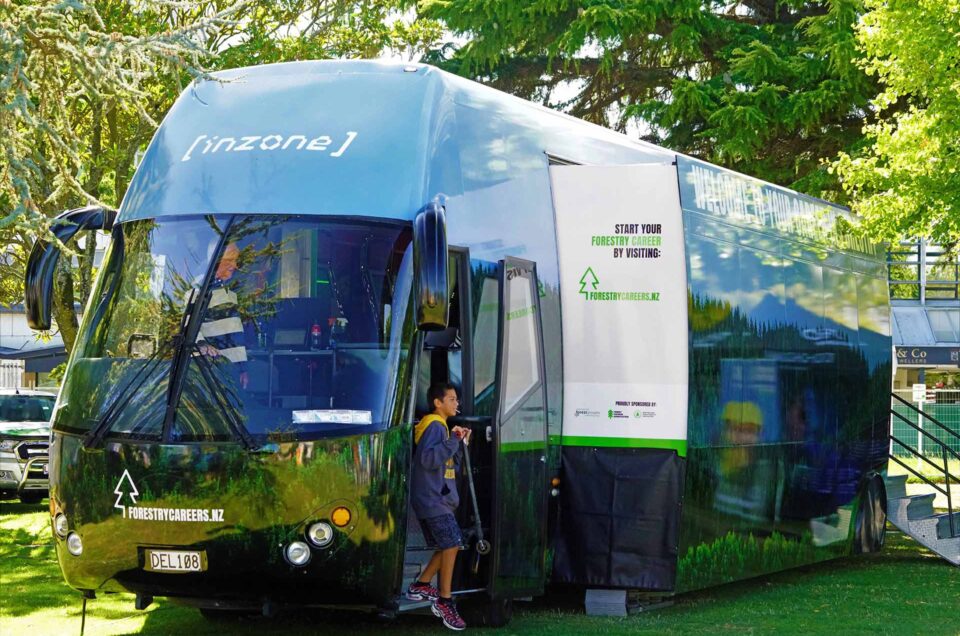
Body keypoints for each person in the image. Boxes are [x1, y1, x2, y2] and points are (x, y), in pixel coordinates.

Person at [407, 383, 471, 631]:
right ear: (437, 402)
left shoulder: (440, 427)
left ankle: (421, 585)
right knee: (452, 543)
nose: (457, 404)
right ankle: (445, 601)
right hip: (432, 500)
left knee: (449, 544)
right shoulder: (434, 424)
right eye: (452, 399)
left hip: (437, 499)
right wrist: (453, 439)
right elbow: (428, 459)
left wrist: (458, 441)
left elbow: (443, 462)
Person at [197, 242, 248, 389]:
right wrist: (202, 344)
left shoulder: (232, 289)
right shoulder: (200, 287)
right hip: (212, 370)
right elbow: (187, 322)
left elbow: (235, 335)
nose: (234, 265)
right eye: (229, 260)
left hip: (232, 371)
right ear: (215, 260)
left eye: (235, 260)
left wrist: (242, 369)